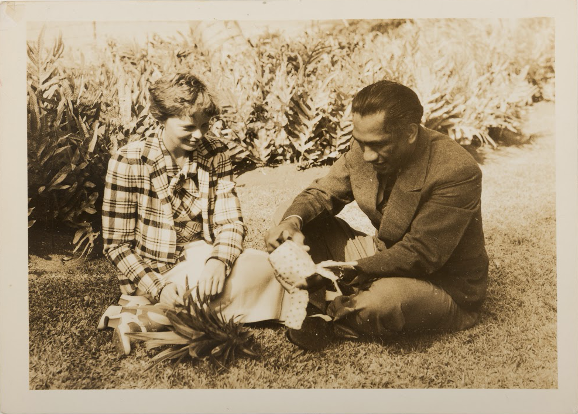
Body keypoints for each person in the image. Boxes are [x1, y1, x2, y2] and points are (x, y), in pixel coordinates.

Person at [265, 80, 489, 351]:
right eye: (360, 142)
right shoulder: (365, 144)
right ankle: (326, 296)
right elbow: (322, 193)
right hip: (380, 253)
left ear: (409, 133)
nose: (367, 155)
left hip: (437, 280)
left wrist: (353, 269)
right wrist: (293, 221)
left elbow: (422, 253)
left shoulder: (456, 170)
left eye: (378, 145)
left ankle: (322, 310)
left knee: (381, 303)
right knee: (290, 216)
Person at [100, 72, 286, 355]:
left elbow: (231, 222)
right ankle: (154, 309)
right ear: (160, 118)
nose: (199, 135)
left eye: (205, 125)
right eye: (188, 126)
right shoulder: (129, 160)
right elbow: (117, 246)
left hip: (203, 258)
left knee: (265, 265)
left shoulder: (216, 152)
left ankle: (145, 317)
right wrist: (158, 287)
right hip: (156, 272)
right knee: (212, 288)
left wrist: (219, 260)